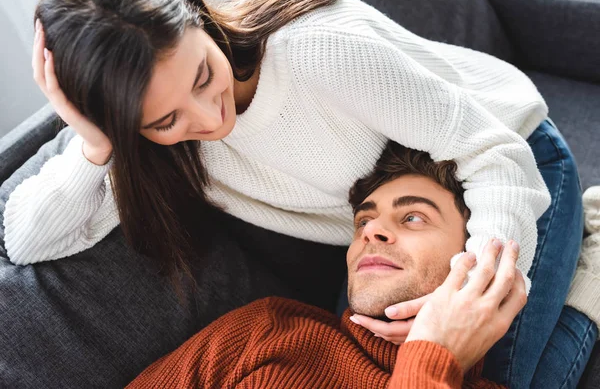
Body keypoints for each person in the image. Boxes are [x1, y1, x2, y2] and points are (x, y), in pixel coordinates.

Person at [2, 0, 596, 387]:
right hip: (397, 229)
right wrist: (96, 143)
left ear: (197, 13)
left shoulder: (316, 52)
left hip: (506, 163)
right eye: (165, 121)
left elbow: (489, 149)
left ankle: (588, 269)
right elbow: (28, 242)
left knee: (497, 374)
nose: (206, 120)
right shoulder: (164, 154)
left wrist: (463, 292)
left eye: (203, 76)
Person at [126, 142, 525, 388]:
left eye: (413, 218)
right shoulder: (262, 330)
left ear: (470, 252)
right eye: (363, 221)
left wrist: (432, 356)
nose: (372, 232)